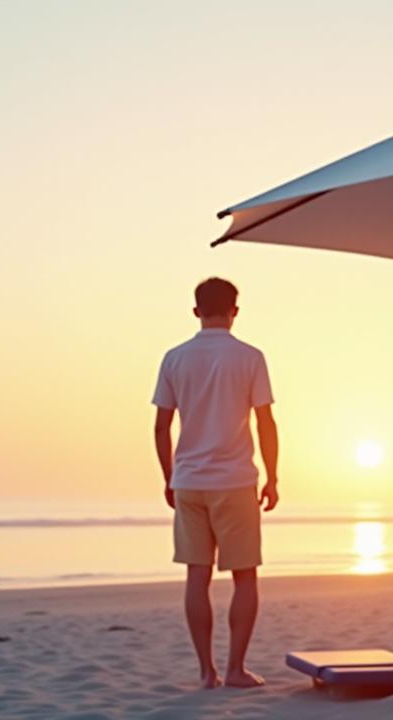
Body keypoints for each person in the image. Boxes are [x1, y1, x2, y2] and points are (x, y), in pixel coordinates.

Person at [151, 277, 280, 689]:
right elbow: (265, 422)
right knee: (245, 576)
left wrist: (169, 478)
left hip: (189, 481)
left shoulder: (174, 358)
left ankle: (207, 672)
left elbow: (161, 426)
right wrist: (273, 477)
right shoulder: (250, 357)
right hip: (236, 480)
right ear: (235, 311)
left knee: (197, 575)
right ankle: (236, 668)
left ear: (196, 311)